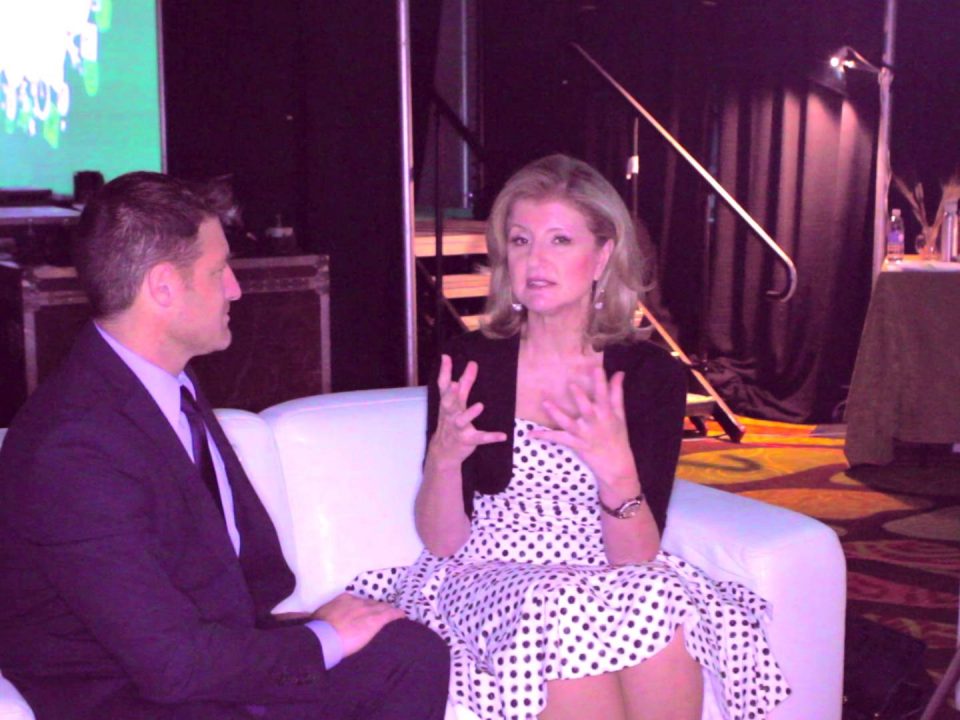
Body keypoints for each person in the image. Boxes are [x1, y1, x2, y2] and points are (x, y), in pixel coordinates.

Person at [349, 155, 790, 720]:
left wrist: (617, 471)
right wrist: (444, 460)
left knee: (661, 596)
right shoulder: (471, 361)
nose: (536, 260)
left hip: (605, 566)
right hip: (492, 570)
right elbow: (442, 543)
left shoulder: (649, 375)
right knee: (558, 607)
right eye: (521, 240)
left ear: (602, 255)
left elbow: (636, 555)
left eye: (560, 240)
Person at [0, 172, 449, 720]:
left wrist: (309, 631)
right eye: (218, 271)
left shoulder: (165, 386)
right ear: (163, 287)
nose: (235, 288)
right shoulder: (73, 446)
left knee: (408, 653)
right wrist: (322, 638)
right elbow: (169, 664)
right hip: (130, 695)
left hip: (204, 666)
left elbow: (232, 586)